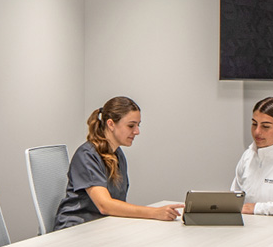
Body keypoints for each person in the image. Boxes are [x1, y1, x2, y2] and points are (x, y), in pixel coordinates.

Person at [53, 96, 180, 230]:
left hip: (102, 226)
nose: (137, 131)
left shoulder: (118, 154)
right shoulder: (87, 155)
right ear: (111, 124)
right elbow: (105, 205)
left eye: (138, 125)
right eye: (131, 125)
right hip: (76, 228)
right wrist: (154, 212)